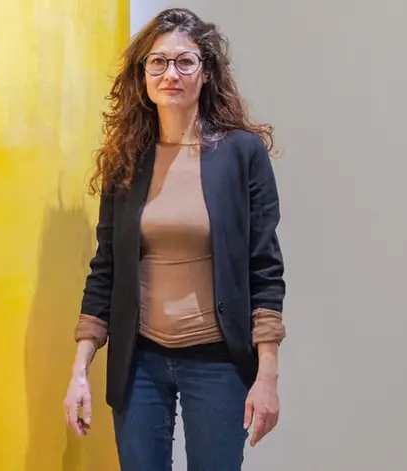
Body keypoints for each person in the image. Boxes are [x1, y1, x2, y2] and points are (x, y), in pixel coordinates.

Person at [63, 7, 287, 470]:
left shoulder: (241, 154)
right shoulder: (127, 160)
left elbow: (264, 269)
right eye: (158, 62)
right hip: (139, 361)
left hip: (218, 361)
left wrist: (267, 375)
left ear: (206, 73)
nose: (171, 74)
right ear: (142, 75)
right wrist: (79, 369)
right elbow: (105, 270)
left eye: (185, 62)